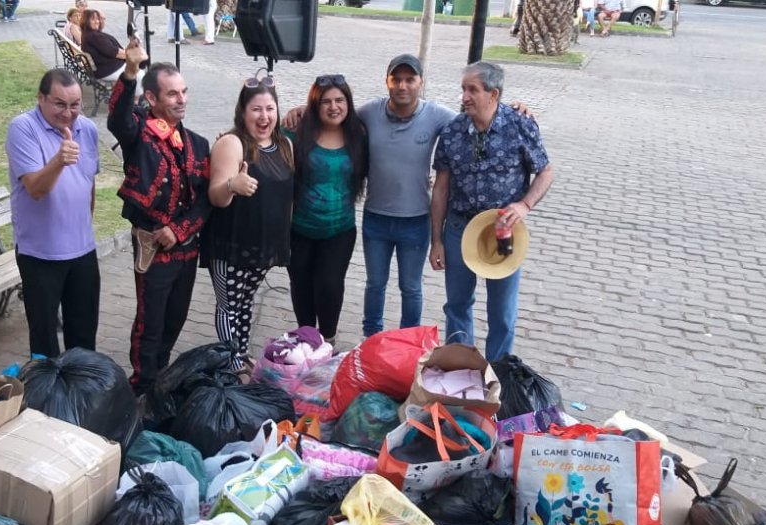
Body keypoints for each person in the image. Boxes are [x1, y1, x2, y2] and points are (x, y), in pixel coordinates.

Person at [282, 54, 530, 339]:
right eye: (396, 79)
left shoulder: (437, 115)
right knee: (375, 284)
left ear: (420, 82)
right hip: (376, 219)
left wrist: (511, 109)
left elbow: (475, 117)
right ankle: (371, 339)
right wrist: (305, 109)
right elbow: (337, 113)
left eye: (409, 79)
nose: (402, 85)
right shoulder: (369, 113)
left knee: (411, 288)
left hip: (416, 220)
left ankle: (408, 341)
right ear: (387, 81)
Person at [429, 62, 554, 360]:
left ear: (493, 94)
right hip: (460, 227)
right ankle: (462, 369)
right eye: (463, 89)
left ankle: (499, 372)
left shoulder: (520, 125)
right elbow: (441, 188)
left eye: (472, 90)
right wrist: (437, 240)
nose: (464, 97)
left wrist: (525, 205)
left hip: (503, 231)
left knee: (502, 312)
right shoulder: (453, 130)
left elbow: (546, 171)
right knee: (457, 306)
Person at [107, 44, 212, 396]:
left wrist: (179, 230)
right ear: (151, 98)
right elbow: (117, 118)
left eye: (184, 91)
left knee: (176, 316)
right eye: (172, 94)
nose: (181, 99)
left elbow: (206, 201)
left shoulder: (198, 143)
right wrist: (130, 72)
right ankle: (142, 386)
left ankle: (161, 375)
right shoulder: (138, 132)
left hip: (186, 247)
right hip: (152, 246)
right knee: (149, 321)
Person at [5, 69, 102, 359]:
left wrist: (84, 227)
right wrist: (59, 160)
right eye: (60, 104)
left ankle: (81, 385)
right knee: (45, 338)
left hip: (82, 250)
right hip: (40, 253)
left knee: (84, 336)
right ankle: (46, 387)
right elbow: (35, 189)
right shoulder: (23, 128)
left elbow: (88, 184)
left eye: (75, 105)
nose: (68, 113)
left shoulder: (88, 128)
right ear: (41, 98)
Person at [203, 76, 295, 370]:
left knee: (245, 303)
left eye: (270, 108)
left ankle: (241, 355)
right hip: (230, 246)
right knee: (229, 307)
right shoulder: (231, 143)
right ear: (242, 112)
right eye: (256, 109)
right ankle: (232, 364)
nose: (264, 116)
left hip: (263, 248)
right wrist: (233, 184)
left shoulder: (284, 145)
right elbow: (216, 196)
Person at [287, 74, 368, 347]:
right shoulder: (297, 131)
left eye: (340, 100)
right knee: (301, 284)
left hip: (339, 229)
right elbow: (263, 144)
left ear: (348, 103)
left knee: (330, 284)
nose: (334, 107)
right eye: (326, 102)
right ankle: (306, 339)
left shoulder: (359, 134)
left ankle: (328, 340)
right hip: (298, 228)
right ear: (315, 105)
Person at [81, 10, 133, 81]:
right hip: (108, 71)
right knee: (138, 73)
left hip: (103, 69)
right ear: (86, 21)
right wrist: (133, 56)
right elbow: (114, 52)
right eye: (93, 19)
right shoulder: (94, 36)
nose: (97, 21)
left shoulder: (87, 34)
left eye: (98, 19)